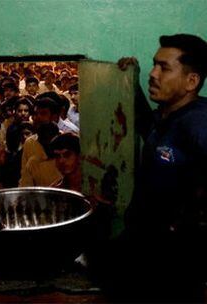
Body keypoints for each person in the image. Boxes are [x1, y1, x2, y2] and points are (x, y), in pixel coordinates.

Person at [90, 34, 207, 303]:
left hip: (173, 260)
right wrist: (131, 78)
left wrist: (187, 228)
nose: (154, 74)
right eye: (154, 65)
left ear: (192, 81)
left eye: (164, 68)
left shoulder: (198, 122)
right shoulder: (164, 115)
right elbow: (147, 125)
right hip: (142, 244)